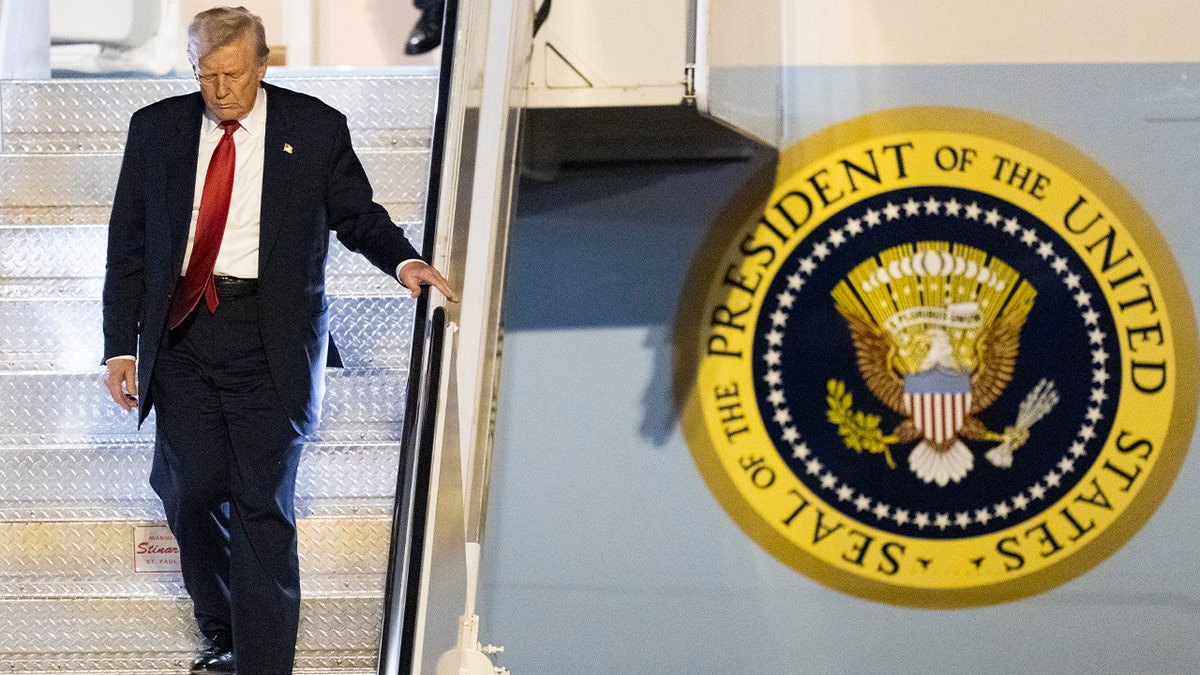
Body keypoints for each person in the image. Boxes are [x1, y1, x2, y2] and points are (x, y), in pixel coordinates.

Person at [101, 6, 455, 674]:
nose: (220, 90)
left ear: (263, 65)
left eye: (233, 74)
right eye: (206, 76)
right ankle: (222, 623)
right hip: (182, 332)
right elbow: (128, 245)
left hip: (271, 335)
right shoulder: (157, 131)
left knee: (263, 504)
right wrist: (120, 344)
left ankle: (261, 663)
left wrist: (404, 261)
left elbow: (358, 215)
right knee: (193, 491)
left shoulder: (314, 128)